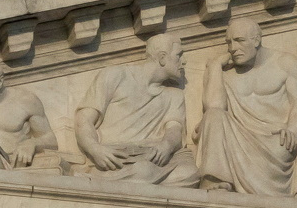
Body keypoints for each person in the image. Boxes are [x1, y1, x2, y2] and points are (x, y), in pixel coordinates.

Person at [198, 14, 297, 197]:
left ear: (256, 40)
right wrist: (216, 66)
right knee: (213, 115)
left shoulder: (284, 63)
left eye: (239, 40)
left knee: (282, 147)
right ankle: (216, 180)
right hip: (236, 140)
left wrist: (293, 130)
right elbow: (214, 107)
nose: (233, 48)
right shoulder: (224, 72)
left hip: (274, 141)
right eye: (229, 43)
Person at [74, 32, 202, 184]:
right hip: (116, 159)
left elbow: (174, 130)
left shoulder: (174, 95)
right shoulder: (115, 75)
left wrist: (165, 146)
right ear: (162, 58)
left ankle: (122, 181)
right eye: (179, 55)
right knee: (144, 171)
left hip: (154, 158)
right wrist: (95, 149)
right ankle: (105, 179)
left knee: (190, 173)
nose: (184, 62)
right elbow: (84, 119)